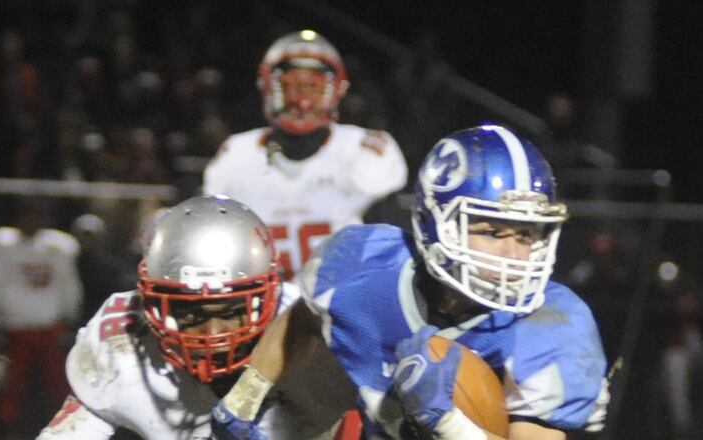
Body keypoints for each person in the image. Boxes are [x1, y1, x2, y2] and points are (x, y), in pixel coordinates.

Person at [212, 125, 611, 440]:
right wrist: (245, 398)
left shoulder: (551, 324)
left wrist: (449, 423)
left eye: (526, 235)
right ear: (438, 224)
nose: (515, 255)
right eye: (492, 231)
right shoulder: (365, 268)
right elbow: (303, 319)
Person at [37, 195, 357, 439]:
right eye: (191, 313)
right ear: (151, 304)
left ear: (269, 297)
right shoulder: (121, 345)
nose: (212, 334)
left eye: (232, 312)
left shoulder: (314, 340)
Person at [203, 29, 408, 280]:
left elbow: (392, 256)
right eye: (290, 88)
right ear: (268, 87)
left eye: (312, 88)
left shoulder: (363, 151)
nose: (301, 102)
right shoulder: (236, 155)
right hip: (260, 304)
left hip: (340, 303)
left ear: (337, 89)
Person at [0, 200, 83, 438]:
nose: (33, 220)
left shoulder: (59, 247)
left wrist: (70, 314)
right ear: (19, 218)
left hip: (49, 328)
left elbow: (69, 285)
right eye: (29, 215)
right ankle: (7, 431)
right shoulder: (2, 245)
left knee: (59, 385)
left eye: (38, 215)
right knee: (10, 386)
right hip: (15, 328)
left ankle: (66, 430)